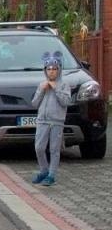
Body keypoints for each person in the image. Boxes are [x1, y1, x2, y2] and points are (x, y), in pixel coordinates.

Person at [31, 51, 72, 186]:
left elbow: (66, 102)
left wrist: (56, 89)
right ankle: (44, 170)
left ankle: (52, 174)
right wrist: (42, 90)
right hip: (42, 120)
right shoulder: (42, 85)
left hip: (56, 122)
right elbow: (35, 103)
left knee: (54, 149)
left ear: (59, 70)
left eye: (54, 69)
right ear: (45, 70)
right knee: (39, 147)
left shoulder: (64, 85)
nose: (52, 72)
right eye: (49, 69)